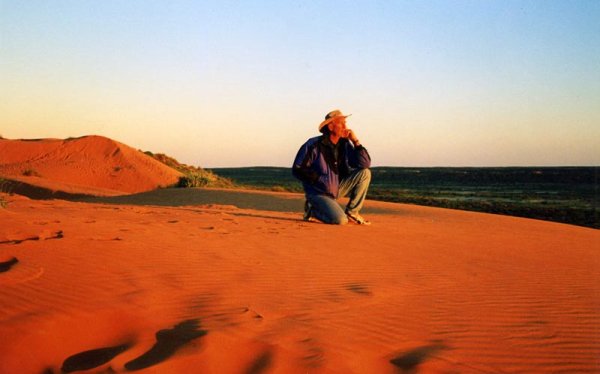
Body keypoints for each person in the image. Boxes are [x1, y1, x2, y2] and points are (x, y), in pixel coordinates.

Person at [292, 109, 372, 225]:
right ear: (330, 127)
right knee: (340, 220)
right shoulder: (313, 145)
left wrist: (355, 142)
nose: (345, 126)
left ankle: (352, 212)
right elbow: (298, 169)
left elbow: (364, 164)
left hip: (338, 188)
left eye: (345, 123)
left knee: (365, 173)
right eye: (342, 123)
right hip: (318, 192)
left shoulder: (344, 144)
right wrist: (319, 180)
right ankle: (312, 210)